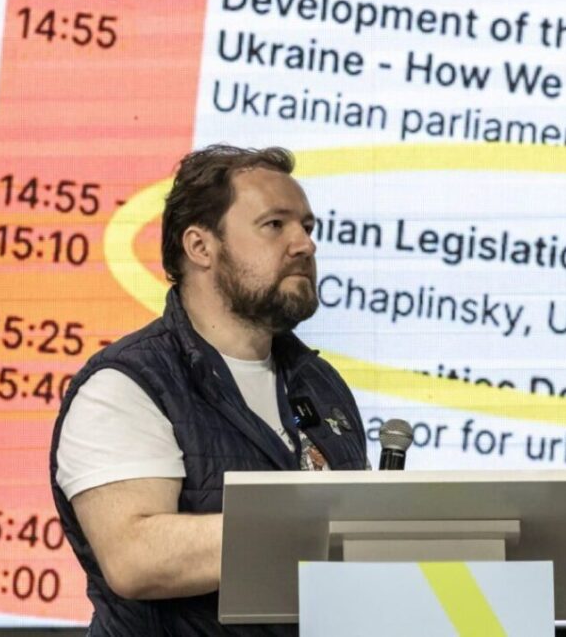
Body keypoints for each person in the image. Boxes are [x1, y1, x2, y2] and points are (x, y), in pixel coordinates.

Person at [49, 145, 368, 635]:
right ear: (200, 247)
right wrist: (326, 530)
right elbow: (136, 557)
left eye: (307, 227)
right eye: (275, 225)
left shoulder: (320, 384)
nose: (305, 245)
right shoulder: (127, 385)